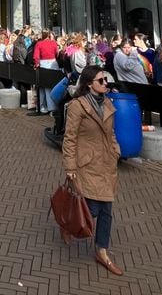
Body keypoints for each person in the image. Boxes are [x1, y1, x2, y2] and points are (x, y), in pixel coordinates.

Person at [61, 65, 123, 276]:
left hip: (106, 162)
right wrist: (70, 165)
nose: (105, 83)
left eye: (105, 80)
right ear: (89, 84)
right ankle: (69, 224)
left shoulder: (106, 103)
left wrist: (115, 148)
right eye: (101, 81)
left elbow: (110, 131)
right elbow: (70, 138)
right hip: (87, 163)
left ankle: (102, 251)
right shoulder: (78, 106)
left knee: (107, 209)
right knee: (91, 210)